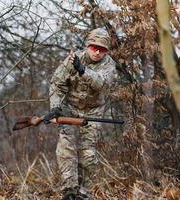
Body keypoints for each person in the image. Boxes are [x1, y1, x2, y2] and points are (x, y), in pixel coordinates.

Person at [44, 28, 118, 200]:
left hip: (93, 111)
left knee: (88, 155)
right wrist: (55, 107)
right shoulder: (72, 60)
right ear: (88, 46)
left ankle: (83, 194)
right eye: (94, 47)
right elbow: (57, 84)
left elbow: (101, 83)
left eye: (102, 49)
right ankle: (69, 191)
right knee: (66, 148)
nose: (97, 52)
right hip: (70, 108)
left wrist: (83, 70)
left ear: (106, 50)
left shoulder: (109, 65)